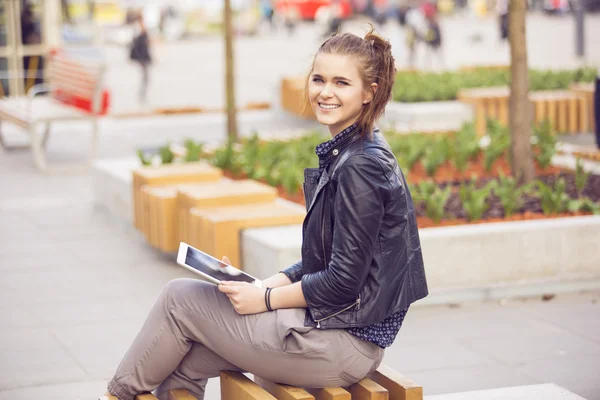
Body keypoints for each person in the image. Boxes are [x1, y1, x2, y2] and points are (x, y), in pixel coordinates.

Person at [100, 27, 428, 400]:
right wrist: (264, 283)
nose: (325, 92)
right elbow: (329, 258)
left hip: (342, 344)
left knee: (177, 299)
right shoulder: (357, 150)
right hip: (335, 331)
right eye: (319, 79)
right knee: (185, 358)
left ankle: (115, 396)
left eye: (342, 82)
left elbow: (343, 282)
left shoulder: (360, 167)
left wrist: (266, 301)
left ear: (369, 92)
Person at [129, 13, 152, 103]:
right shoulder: (139, 29)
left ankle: (143, 95)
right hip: (142, 59)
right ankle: (142, 96)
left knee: (146, 78)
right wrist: (141, 58)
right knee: (145, 78)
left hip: (143, 58)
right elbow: (139, 46)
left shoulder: (139, 29)